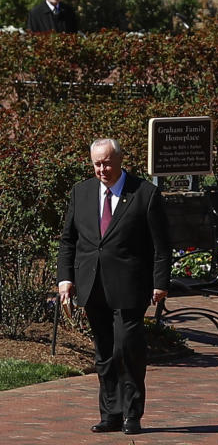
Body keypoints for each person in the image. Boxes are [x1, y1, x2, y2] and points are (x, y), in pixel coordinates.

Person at [58, 137, 171, 435]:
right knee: (104, 353)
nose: (102, 169)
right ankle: (111, 413)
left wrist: (160, 282)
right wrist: (65, 279)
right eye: (97, 164)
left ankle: (132, 414)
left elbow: (161, 245)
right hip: (92, 284)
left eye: (107, 162)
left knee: (127, 349)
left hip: (130, 286)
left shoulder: (144, 194)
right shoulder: (80, 193)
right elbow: (69, 241)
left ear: (120, 160)